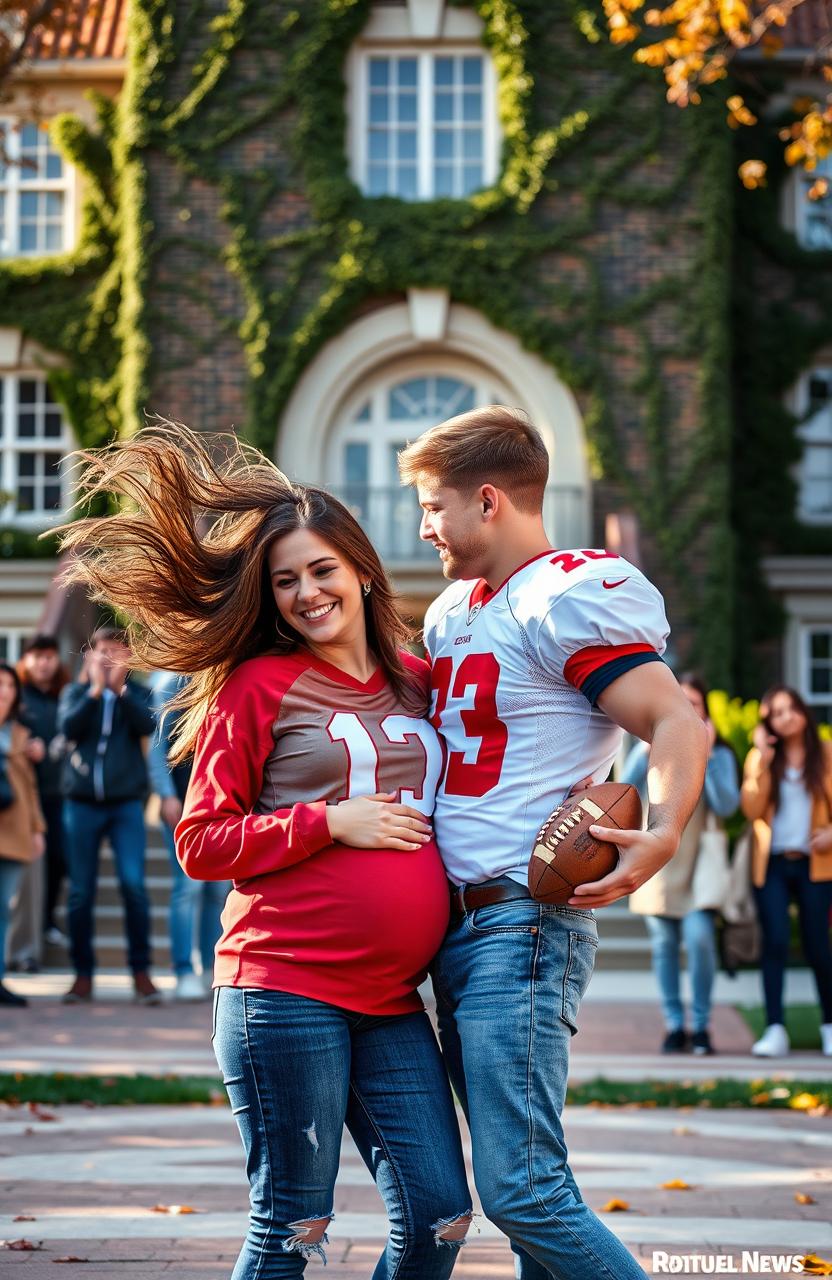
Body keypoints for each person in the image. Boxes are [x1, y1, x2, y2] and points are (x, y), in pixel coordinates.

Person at [55, 426, 473, 1278]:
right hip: (283, 988)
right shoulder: (259, 686)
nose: (307, 593)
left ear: (359, 566)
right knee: (294, 1225)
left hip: (392, 999)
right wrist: (330, 822)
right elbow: (201, 841)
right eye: (286, 581)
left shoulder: (415, 674)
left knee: (440, 1215)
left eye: (321, 570)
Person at [398, 405, 708, 1280]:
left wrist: (667, 830)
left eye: (433, 506)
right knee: (536, 1186)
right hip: (458, 928)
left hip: (520, 922)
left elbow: (672, 718)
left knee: (524, 1190)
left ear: (488, 500)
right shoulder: (457, 607)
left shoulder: (567, 592)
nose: (423, 527)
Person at [624, 672, 740, 1055]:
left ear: (705, 714)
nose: (687, 712)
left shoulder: (720, 754)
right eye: (681, 704)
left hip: (700, 864)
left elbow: (727, 805)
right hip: (662, 861)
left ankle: (702, 1025)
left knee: (700, 938)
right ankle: (675, 1025)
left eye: (695, 706)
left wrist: (700, 757)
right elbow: (623, 792)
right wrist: (643, 756)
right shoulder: (650, 747)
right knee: (664, 945)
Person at [58, 627, 161, 1006]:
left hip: (124, 805)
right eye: (103, 652)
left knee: (134, 885)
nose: (109, 659)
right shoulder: (76, 693)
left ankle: (141, 973)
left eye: (118, 653)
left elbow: (147, 725)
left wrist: (118, 692)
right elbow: (68, 728)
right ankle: (82, 975)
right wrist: (95, 690)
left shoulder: (138, 694)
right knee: (81, 891)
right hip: (81, 804)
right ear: (90, 655)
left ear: (129, 660)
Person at [741, 685, 832, 1058]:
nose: (787, 716)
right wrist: (762, 758)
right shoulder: (761, 758)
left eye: (792, 708)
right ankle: (775, 1028)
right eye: (777, 712)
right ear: (768, 722)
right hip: (773, 864)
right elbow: (750, 809)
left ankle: (829, 1026)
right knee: (775, 942)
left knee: (818, 945)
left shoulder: (825, 753)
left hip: (816, 863)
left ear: (803, 712)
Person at [148, 670, 229, 1001]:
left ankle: (210, 968)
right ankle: (182, 969)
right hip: (183, 804)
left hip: (223, 806)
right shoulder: (172, 683)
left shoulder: (231, 675)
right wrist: (166, 794)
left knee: (218, 889)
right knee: (188, 886)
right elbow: (157, 746)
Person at [16, 635, 69, 952]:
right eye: (38, 656)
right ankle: (27, 936)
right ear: (26, 660)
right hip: (23, 796)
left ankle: (47, 920)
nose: (45, 663)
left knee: (59, 859)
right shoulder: (16, 695)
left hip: (59, 793)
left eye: (50, 656)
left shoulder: (64, 694)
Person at [0, 663, 46, 1006]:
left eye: (8, 685)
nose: (4, 690)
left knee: (4, 907)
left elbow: (29, 787)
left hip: (14, 830)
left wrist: (37, 828)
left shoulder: (19, 734)